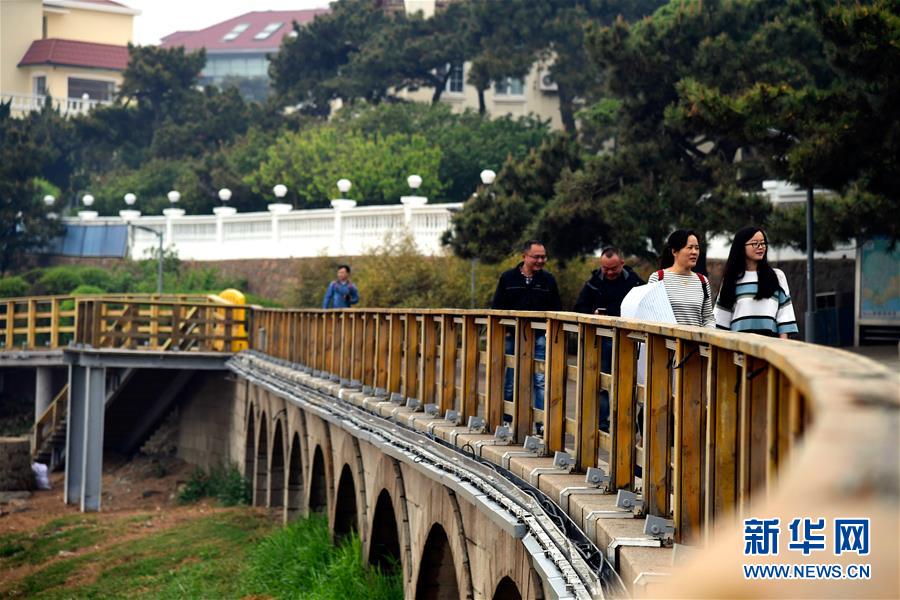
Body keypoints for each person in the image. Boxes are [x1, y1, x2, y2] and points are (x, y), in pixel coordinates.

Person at [573, 247, 644, 431]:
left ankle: (626, 421)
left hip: (629, 340)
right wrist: (592, 313)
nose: (610, 272)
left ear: (622, 263)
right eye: (606, 268)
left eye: (613, 268)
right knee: (601, 382)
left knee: (629, 381)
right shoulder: (593, 283)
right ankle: (602, 423)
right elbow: (578, 308)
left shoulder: (636, 283)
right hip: (601, 339)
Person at [491, 240, 561, 419]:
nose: (540, 260)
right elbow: (497, 307)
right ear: (524, 257)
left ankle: (541, 424)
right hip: (513, 336)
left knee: (540, 380)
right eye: (536, 257)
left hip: (539, 336)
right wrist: (506, 330)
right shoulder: (508, 278)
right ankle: (507, 420)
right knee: (511, 380)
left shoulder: (548, 280)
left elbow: (557, 309)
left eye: (543, 257)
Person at [714, 226, 799, 338]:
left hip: (770, 347)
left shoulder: (777, 276)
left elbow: (784, 317)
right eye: (755, 243)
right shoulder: (731, 279)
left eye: (763, 243)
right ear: (741, 247)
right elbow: (721, 321)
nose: (761, 247)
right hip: (739, 347)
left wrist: (784, 346)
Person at [647, 229, 715, 327]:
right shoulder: (658, 278)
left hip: (695, 342)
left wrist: (708, 335)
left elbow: (708, 318)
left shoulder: (702, 281)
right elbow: (649, 314)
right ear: (674, 251)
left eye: (697, 248)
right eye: (690, 247)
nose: (694, 252)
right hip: (667, 341)